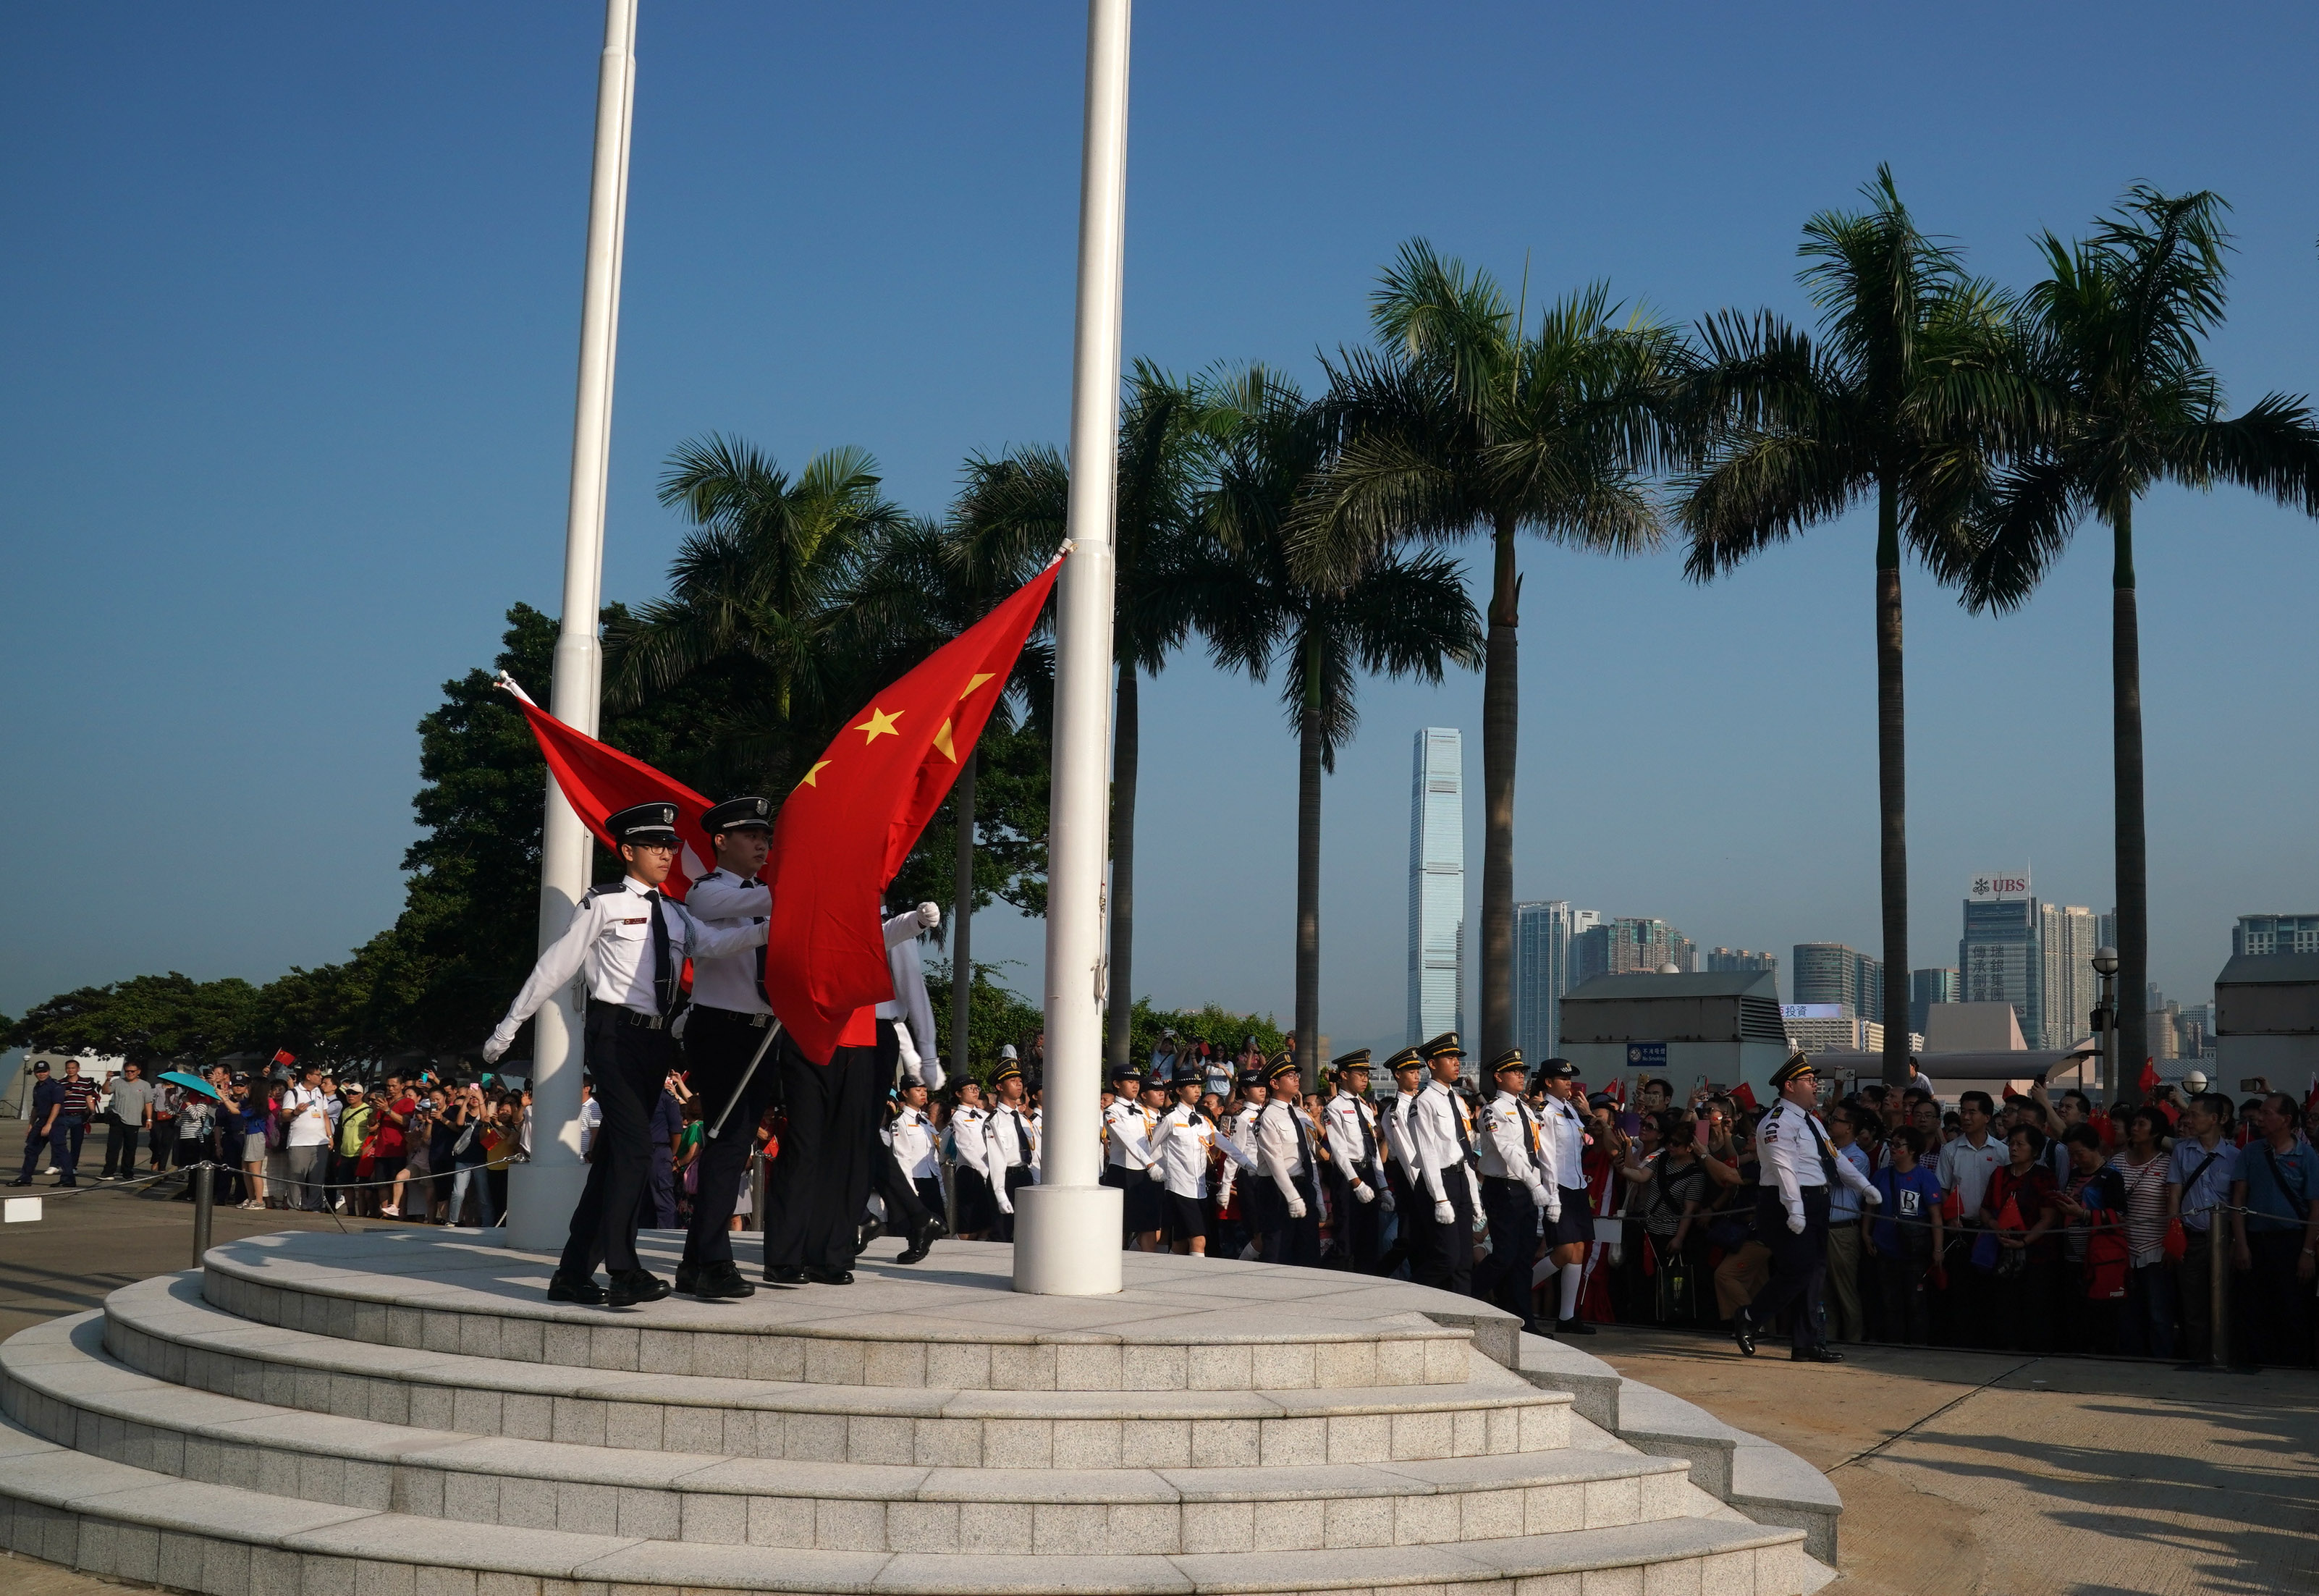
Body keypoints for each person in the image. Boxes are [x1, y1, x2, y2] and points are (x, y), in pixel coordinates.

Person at [482, 800, 769, 1306]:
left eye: (671, 846)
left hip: (657, 1041)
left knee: (617, 1160)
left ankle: (572, 1273)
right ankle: (623, 1268)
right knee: (637, 1152)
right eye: (656, 845)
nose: (666, 854)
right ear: (628, 849)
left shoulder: (677, 912)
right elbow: (555, 965)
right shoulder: (605, 903)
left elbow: (720, 943)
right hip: (615, 1035)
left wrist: (777, 925)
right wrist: (509, 1027)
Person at [1732, 1055, 1879, 1363]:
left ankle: (1806, 1343)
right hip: (1785, 1202)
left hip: (1817, 1201)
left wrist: (1863, 1186)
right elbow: (1783, 1167)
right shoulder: (1776, 1122)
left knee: (1814, 1275)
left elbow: (1835, 1159)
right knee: (1798, 1269)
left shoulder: (1811, 1120)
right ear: (1790, 1085)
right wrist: (1795, 1209)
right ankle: (1749, 1316)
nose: (1816, 1086)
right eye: (1809, 1081)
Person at [2231, 1092, 2319, 1368]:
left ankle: (2292, 1364)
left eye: (2268, 1113)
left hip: (2292, 1243)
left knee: (2292, 1307)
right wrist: (2241, 1243)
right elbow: (2238, 1200)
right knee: (2255, 1306)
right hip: (2256, 1241)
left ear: (2286, 1120)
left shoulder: (2306, 1155)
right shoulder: (2251, 1151)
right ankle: (2259, 1362)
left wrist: (2308, 1251)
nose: (2260, 1117)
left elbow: (2315, 1207)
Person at [1474, 1051, 1550, 1330]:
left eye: (1522, 1071)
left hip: (1527, 1187)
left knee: (1521, 1260)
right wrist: (1535, 1184)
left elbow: (1536, 1151)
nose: (1521, 1075)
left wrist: (1543, 1185)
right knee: (1504, 1255)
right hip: (1504, 1187)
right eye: (1514, 1071)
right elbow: (1509, 1151)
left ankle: (1524, 1323)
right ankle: (1465, 1298)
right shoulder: (1494, 1110)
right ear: (1498, 1077)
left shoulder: (1527, 1109)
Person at [2164, 1091, 2242, 1364]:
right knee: (2192, 1304)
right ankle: (2198, 1359)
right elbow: (2173, 1194)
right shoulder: (2181, 1152)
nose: (2189, 1119)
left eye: (2195, 1115)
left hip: (2225, 1239)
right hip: (2193, 1238)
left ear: (2215, 1119)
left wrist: (2236, 1243)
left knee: (2226, 1302)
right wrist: (2174, 1236)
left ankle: (2227, 1358)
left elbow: (2238, 1200)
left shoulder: (2235, 1156)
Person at [1407, 1034, 1480, 1294]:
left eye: (1457, 1058)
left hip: (1460, 1179)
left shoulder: (1458, 1101)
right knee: (1446, 1258)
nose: (1456, 1063)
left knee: (1463, 1262)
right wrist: (1439, 1199)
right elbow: (1427, 1152)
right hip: (1438, 1181)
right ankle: (1407, 1297)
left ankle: (1462, 1318)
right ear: (1432, 1063)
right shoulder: (1424, 1101)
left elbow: (1465, 1150)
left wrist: (1474, 1197)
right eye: (1449, 1058)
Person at [1983, 1124, 2061, 1352]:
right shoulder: (2000, 1174)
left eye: (2020, 1144)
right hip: (2004, 1251)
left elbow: (2048, 1218)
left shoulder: (2044, 1177)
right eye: (2011, 1144)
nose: (2013, 1149)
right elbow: (1985, 1210)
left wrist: (2025, 1242)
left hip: (2037, 1254)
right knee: (2005, 1306)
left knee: (2035, 1306)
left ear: (2035, 1150)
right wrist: (1996, 1226)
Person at [1864, 1126, 1943, 1344]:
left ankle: (1918, 1347)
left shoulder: (1925, 1177)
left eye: (1898, 1145)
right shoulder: (1881, 1175)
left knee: (1916, 1302)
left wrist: (1938, 1249)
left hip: (1914, 1251)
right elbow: (1870, 1209)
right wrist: (1865, 1234)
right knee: (1889, 1303)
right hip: (1885, 1250)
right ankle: (1894, 1345)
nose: (1892, 1148)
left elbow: (1936, 1216)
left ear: (1912, 1150)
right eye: (1891, 1143)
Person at [1320, 1052, 1391, 1273]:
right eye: (1360, 1074)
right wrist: (1356, 1183)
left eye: (1366, 1075)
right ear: (1344, 1075)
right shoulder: (1334, 1108)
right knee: (1345, 1242)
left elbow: (1372, 1152)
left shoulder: (1365, 1108)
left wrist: (1383, 1187)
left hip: (1368, 1173)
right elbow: (1339, 1150)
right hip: (1348, 1178)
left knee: (1368, 1242)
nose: (1365, 1079)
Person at [1256, 1056, 1322, 1267]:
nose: (1296, 1079)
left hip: (1304, 1185)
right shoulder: (1267, 1117)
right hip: (1278, 1191)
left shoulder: (1300, 1114)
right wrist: (1293, 1198)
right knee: (1278, 1252)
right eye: (1289, 1076)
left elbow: (1309, 1156)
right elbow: (1275, 1162)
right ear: (1274, 1084)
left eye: (1296, 1075)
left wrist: (1317, 1197)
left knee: (1308, 1252)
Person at [1822, 1105, 1873, 1343]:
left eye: (1836, 1120)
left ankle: (1854, 1341)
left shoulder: (1857, 1157)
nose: (1831, 1123)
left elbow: (1836, 1177)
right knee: (1825, 1292)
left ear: (1849, 1127)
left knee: (1845, 1291)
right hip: (1823, 1229)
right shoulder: (1827, 1151)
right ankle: (1828, 1339)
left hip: (1843, 1231)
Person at [883, 1076, 945, 1263]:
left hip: (930, 1179)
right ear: (905, 1093)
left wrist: (941, 1187)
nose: (923, 1094)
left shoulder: (927, 1122)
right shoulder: (900, 1122)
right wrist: (910, 1191)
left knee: (938, 1229)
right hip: (914, 1181)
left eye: (925, 1090)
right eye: (918, 1090)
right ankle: (915, 1249)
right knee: (915, 1227)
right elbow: (903, 1159)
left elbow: (934, 1157)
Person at [1104, 1064, 1162, 1250]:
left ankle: (1149, 1267)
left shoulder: (1144, 1111)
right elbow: (1128, 1141)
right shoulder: (1112, 1111)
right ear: (1117, 1084)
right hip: (1123, 1171)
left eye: (1137, 1082)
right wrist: (1150, 1163)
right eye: (1130, 1082)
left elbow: (1156, 1139)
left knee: (1149, 1225)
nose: (1135, 1086)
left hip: (1144, 1172)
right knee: (1120, 1225)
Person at [981, 1058, 1039, 1242]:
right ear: (999, 1087)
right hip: (1006, 1179)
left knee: (1027, 1233)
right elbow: (997, 1159)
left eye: (1020, 1081)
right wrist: (1000, 1194)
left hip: (1025, 1176)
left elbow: (1034, 1153)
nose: (1019, 1084)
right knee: (1003, 1234)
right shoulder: (994, 1121)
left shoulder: (1023, 1119)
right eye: (1013, 1081)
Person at [280, 1063, 335, 1212]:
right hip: (299, 1142)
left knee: (317, 1178)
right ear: (308, 1076)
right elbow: (284, 1115)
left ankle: (315, 1206)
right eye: (318, 1074)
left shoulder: (320, 1093)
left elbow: (325, 1115)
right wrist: (296, 1112)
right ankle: (294, 1205)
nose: (321, 1077)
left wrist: (329, 1136)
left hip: (320, 1142)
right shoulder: (293, 1093)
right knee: (296, 1177)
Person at [947, 1079, 994, 1239]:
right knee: (969, 1226)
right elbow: (967, 1148)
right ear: (959, 1094)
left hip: (989, 1171)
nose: (975, 1091)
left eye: (976, 1088)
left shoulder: (985, 1115)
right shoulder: (958, 1118)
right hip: (971, 1172)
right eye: (970, 1088)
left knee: (986, 1223)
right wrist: (986, 1172)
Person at [12, 1061, 66, 1187]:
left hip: (55, 1121)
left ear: (49, 1071)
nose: (42, 1074)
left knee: (60, 1150)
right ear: (35, 1073)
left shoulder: (56, 1086)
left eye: (44, 1071)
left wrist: (49, 1124)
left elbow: (57, 1106)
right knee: (31, 1149)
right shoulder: (37, 1087)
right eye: (39, 1072)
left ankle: (68, 1178)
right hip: (41, 1121)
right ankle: (25, 1177)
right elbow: (35, 1107)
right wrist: (31, 1125)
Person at [100, 1062, 153, 1182]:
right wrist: (108, 1080)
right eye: (127, 1071)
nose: (130, 1073)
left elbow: (148, 1103)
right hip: (118, 1118)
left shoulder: (145, 1085)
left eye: (132, 1071)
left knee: (130, 1149)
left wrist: (149, 1119)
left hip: (134, 1121)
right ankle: (108, 1172)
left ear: (138, 1072)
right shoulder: (118, 1082)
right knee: (113, 1148)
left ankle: (127, 1172)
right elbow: (105, 1091)